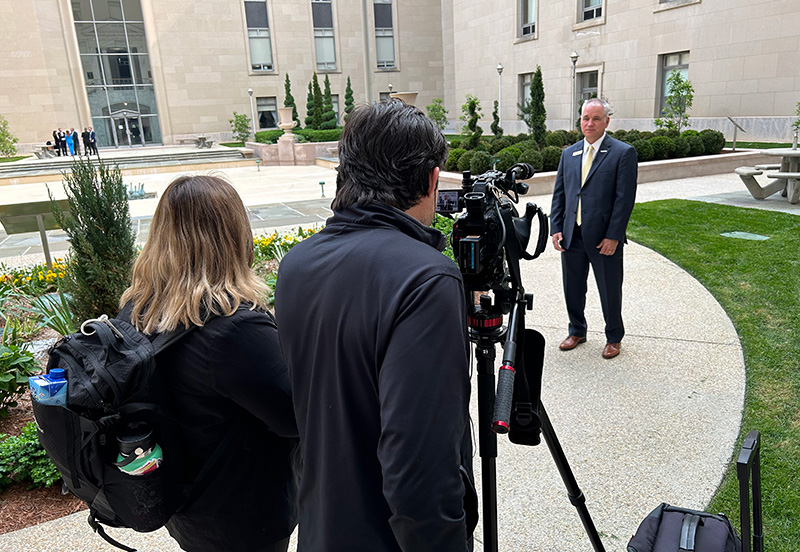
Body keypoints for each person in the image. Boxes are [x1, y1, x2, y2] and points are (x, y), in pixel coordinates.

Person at [275, 99, 478, 552]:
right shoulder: (425, 280)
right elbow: (419, 472)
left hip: (320, 527)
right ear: (429, 180)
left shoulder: (297, 264)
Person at [118, 174, 298, 552]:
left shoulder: (138, 309)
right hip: (241, 515)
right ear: (234, 235)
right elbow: (296, 416)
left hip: (186, 500)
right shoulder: (234, 330)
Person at [550, 98, 638, 359]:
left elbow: (624, 201)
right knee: (572, 287)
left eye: (596, 118)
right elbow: (560, 195)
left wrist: (613, 236)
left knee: (610, 289)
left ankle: (614, 337)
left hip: (603, 238)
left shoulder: (623, 153)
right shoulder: (569, 153)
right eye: (585, 118)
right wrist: (556, 227)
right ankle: (577, 330)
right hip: (572, 234)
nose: (589, 123)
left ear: (606, 122)